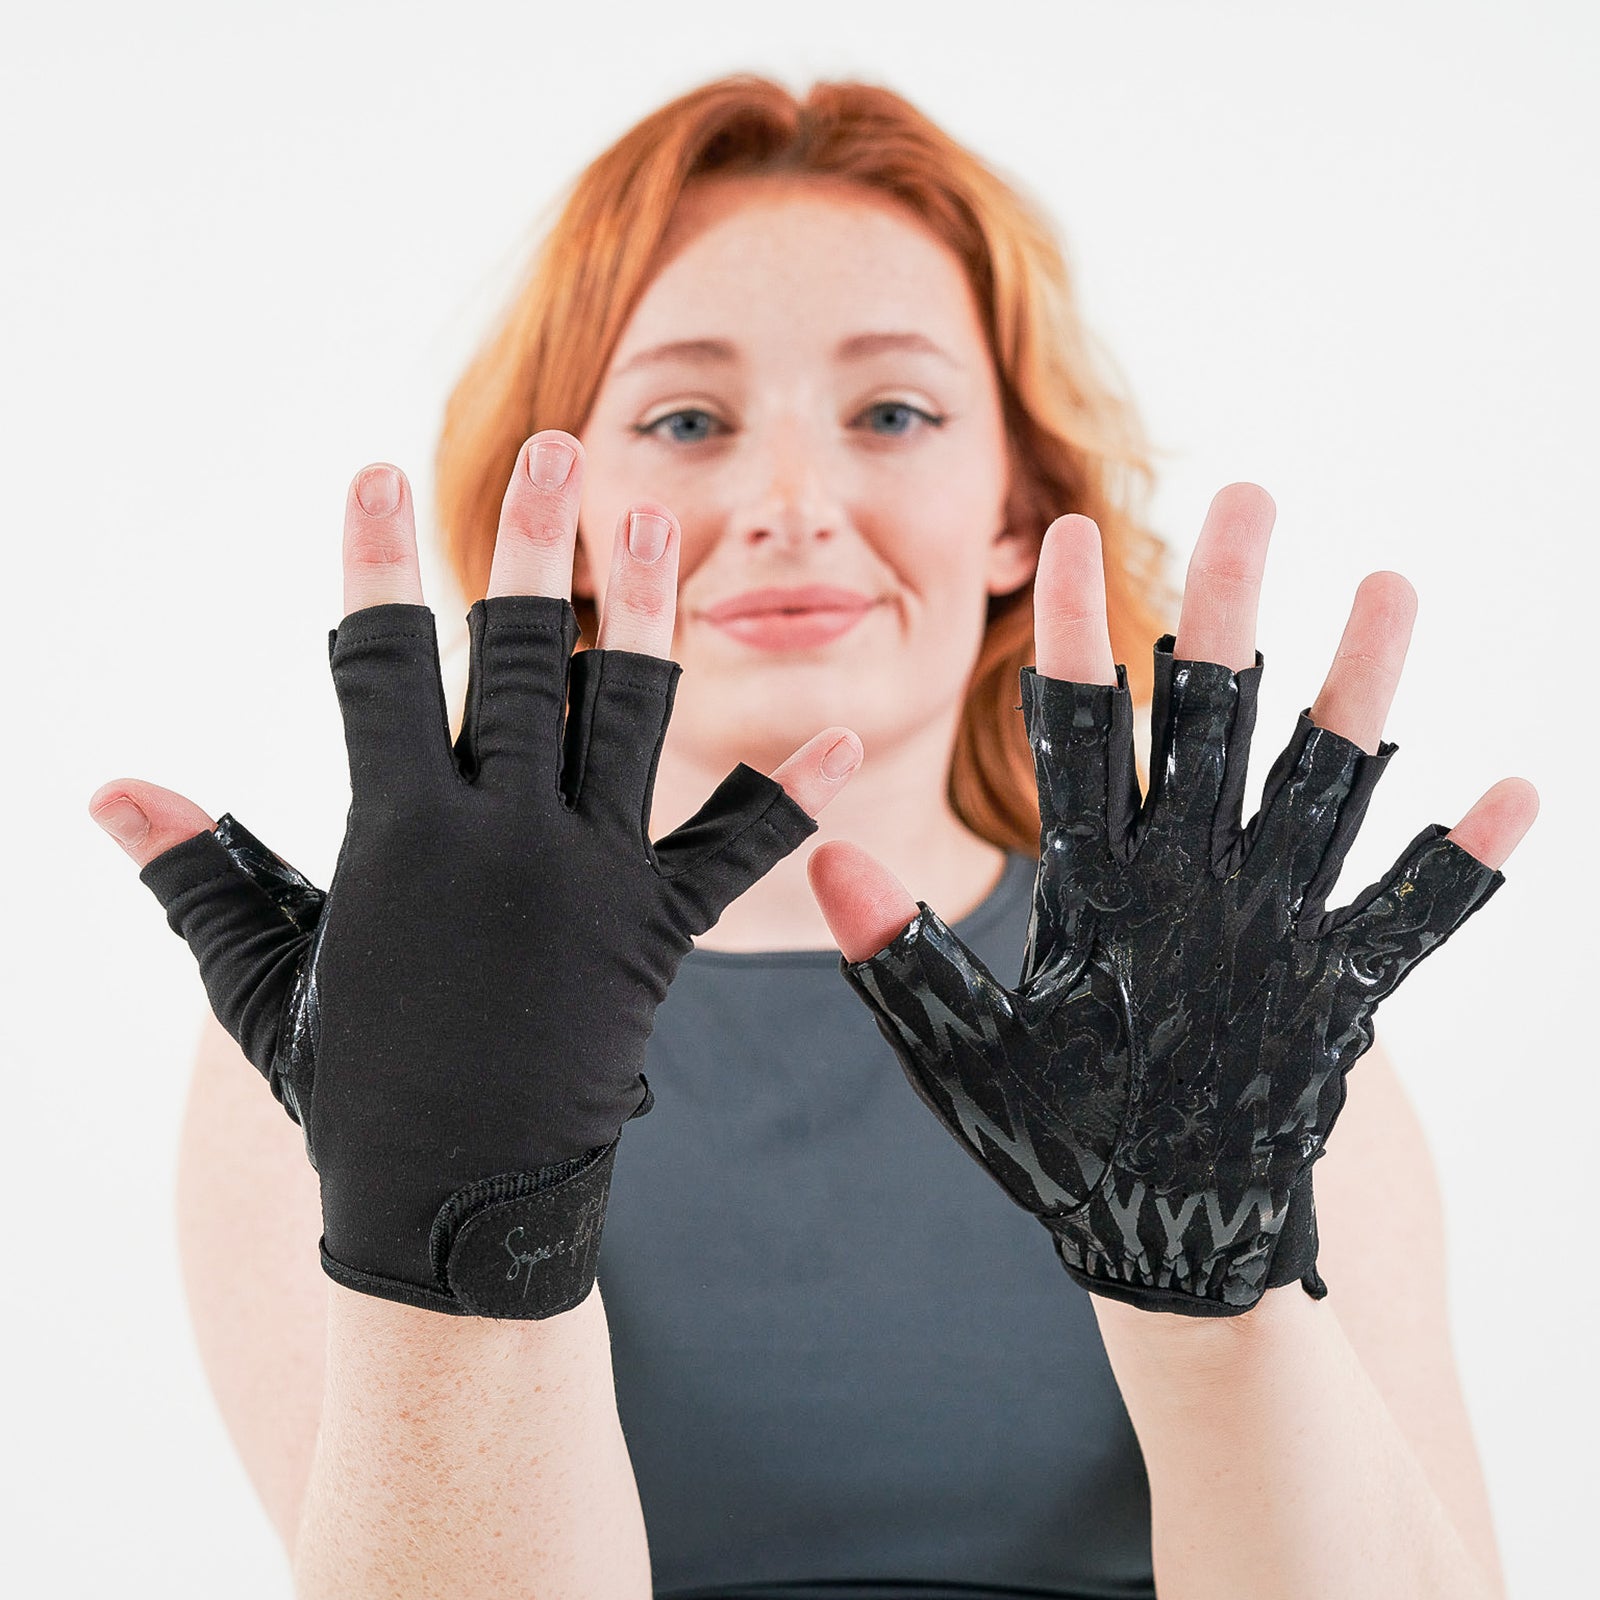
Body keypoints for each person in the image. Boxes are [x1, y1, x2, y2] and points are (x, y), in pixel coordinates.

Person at [87, 76, 1533, 1599]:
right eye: (687, 418)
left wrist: (1207, 1296)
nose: (790, 498)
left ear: (1011, 509)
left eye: (892, 411)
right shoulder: (360, 1008)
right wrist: (460, 1226)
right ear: (565, 514)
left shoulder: (1252, 1018)